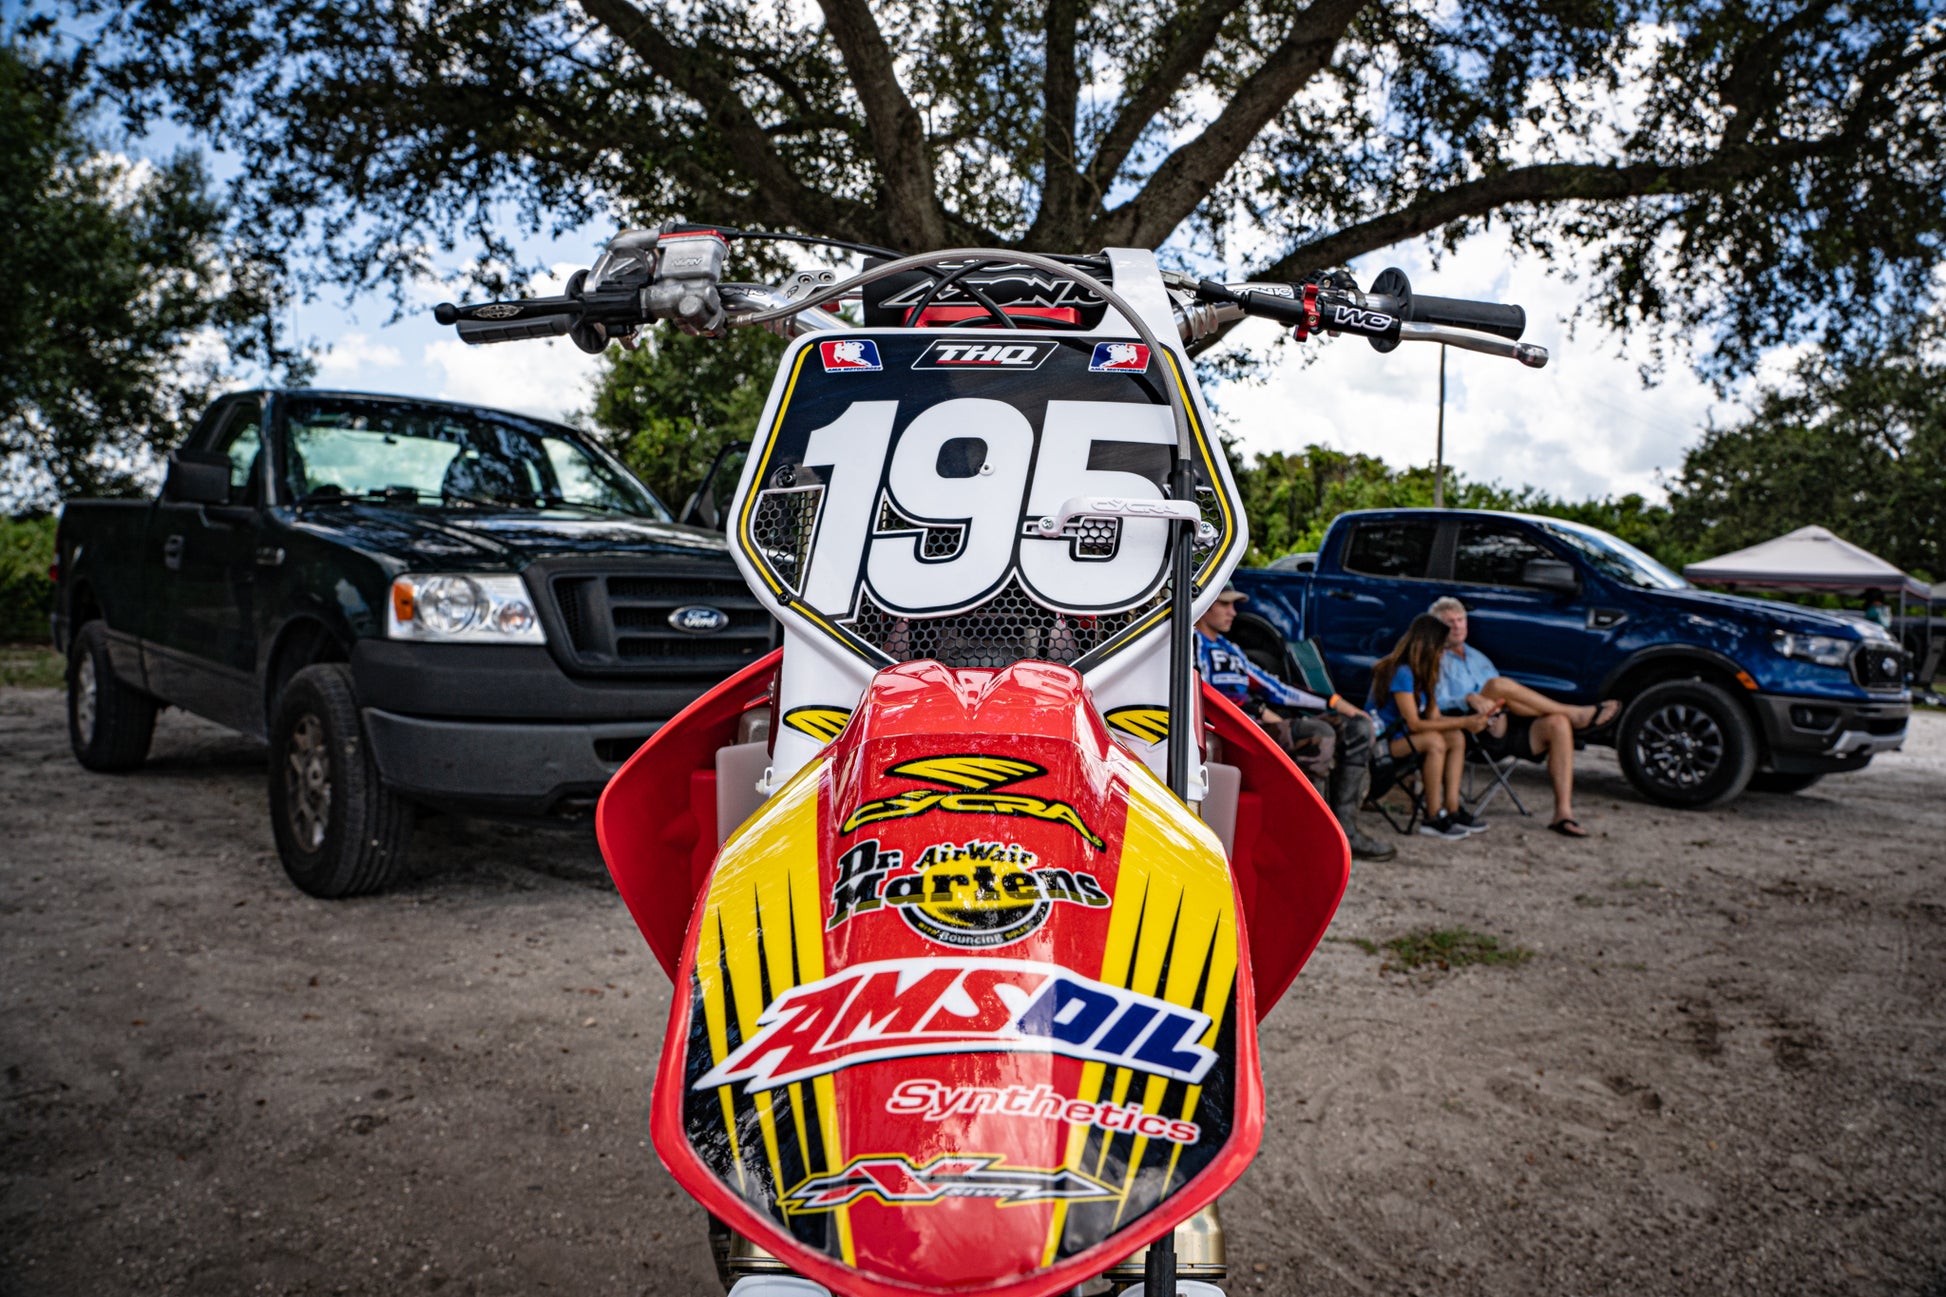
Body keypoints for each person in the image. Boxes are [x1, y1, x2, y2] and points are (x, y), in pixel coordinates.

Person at [1195, 585, 1396, 861]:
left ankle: (1345, 832)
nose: (1234, 612)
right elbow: (1200, 689)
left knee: (1357, 727)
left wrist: (1335, 702)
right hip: (1236, 731)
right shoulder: (1190, 642)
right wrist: (1257, 709)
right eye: (1225, 604)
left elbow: (1278, 689)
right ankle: (1313, 838)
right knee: (1319, 734)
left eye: (1234, 605)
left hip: (1262, 724)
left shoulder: (1231, 649)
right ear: (1205, 605)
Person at [1427, 596, 1606, 837]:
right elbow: (1434, 704)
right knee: (1497, 685)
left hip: (1506, 724)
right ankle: (1574, 712)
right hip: (1473, 730)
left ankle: (1563, 814)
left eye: (1461, 620)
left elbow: (1509, 698)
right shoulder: (1434, 660)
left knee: (1557, 723)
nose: (1458, 626)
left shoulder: (1478, 657)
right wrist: (1467, 698)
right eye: (1450, 622)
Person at [1367, 614, 1491, 841]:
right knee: (1434, 741)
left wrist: (1471, 722)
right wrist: (1466, 722)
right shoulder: (1402, 672)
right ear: (1428, 645)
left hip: (1403, 738)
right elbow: (1414, 723)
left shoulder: (1425, 672)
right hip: (1380, 745)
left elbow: (1435, 717)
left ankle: (1452, 809)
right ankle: (1432, 817)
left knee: (1456, 737)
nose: (1443, 654)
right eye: (1441, 648)